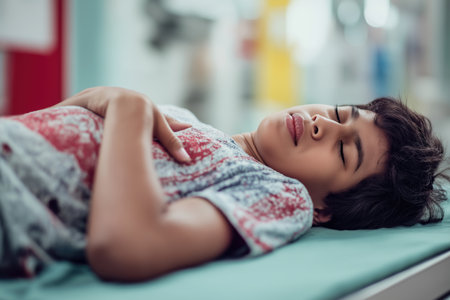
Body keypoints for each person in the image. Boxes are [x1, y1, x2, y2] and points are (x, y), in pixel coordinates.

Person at [0, 87, 447, 281]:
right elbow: (51, 125)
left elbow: (126, 246)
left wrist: (128, 107)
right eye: (335, 114)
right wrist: (111, 99)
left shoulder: (281, 196)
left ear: (324, 209)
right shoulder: (194, 123)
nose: (318, 125)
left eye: (344, 151)